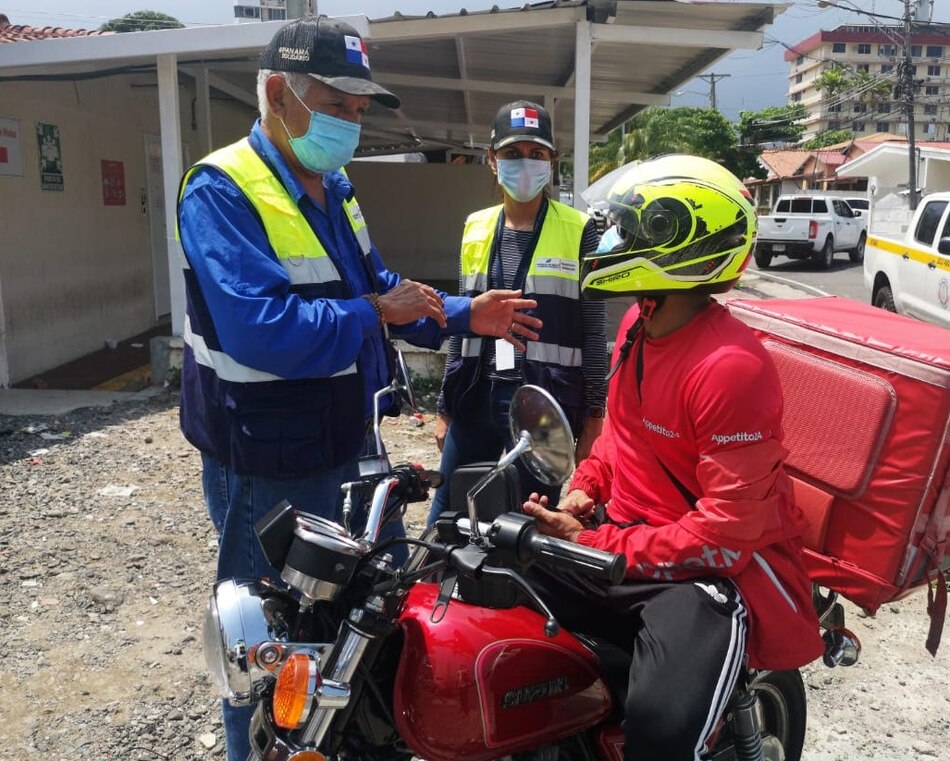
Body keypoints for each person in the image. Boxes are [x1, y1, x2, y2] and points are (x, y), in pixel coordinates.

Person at [176, 16, 541, 761]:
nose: (349, 123)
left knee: (367, 622)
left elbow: (381, 289)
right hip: (269, 460)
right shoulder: (221, 190)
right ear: (278, 93)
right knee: (271, 644)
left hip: (349, 443)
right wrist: (377, 311)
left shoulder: (335, 188)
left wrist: (470, 312)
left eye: (357, 110)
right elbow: (262, 329)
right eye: (336, 105)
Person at [521, 155, 824, 761]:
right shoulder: (641, 319)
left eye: (636, 230)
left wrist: (595, 545)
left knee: (657, 734)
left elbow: (726, 536)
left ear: (686, 244)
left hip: (706, 576)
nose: (612, 242)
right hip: (626, 541)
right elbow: (621, 436)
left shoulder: (729, 368)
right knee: (484, 604)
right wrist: (586, 485)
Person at [427, 100, 607, 525]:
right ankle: (439, 591)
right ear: (491, 161)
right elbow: (461, 326)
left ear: (551, 161)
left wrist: (594, 416)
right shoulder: (474, 227)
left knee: (528, 521)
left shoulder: (580, 230)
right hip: (475, 394)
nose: (524, 164)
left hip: (545, 403)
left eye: (536, 154)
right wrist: (444, 407)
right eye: (511, 154)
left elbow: (594, 332)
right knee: (448, 514)